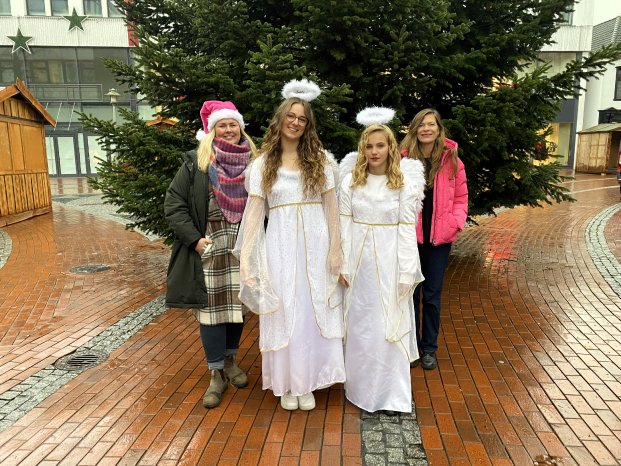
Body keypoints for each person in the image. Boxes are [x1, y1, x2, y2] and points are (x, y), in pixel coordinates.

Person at [234, 79, 345, 411]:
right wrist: (247, 262)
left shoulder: (322, 162)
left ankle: (308, 379)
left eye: (302, 118)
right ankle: (288, 382)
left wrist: (336, 248)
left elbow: (332, 210)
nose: (296, 122)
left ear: (308, 125)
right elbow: (253, 215)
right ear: (280, 119)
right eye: (291, 116)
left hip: (316, 242)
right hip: (280, 245)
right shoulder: (262, 164)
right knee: (285, 309)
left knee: (312, 309)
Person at [164, 100, 257, 408]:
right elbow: (174, 205)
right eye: (222, 125)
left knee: (236, 308)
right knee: (211, 312)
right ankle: (215, 374)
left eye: (233, 124)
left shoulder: (254, 162)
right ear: (211, 129)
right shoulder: (197, 163)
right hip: (210, 244)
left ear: (240, 127)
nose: (228, 130)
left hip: (243, 244)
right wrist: (195, 241)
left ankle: (230, 361)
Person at [338, 107, 425, 414]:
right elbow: (344, 225)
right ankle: (360, 388)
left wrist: (406, 270)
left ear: (390, 148)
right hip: (360, 265)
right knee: (362, 324)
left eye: (380, 145)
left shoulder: (403, 184)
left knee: (389, 322)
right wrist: (343, 265)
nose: (374, 151)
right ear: (363, 149)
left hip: (389, 261)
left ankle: (390, 393)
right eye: (369, 146)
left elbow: (405, 230)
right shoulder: (350, 181)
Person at [400, 108, 468, 370]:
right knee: (410, 293)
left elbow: (461, 198)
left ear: (439, 129)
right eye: (421, 125)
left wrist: (455, 222)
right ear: (415, 129)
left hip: (439, 239)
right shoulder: (403, 160)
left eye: (432, 124)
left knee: (431, 296)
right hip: (410, 238)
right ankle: (412, 347)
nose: (426, 129)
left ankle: (429, 347)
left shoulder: (452, 161)